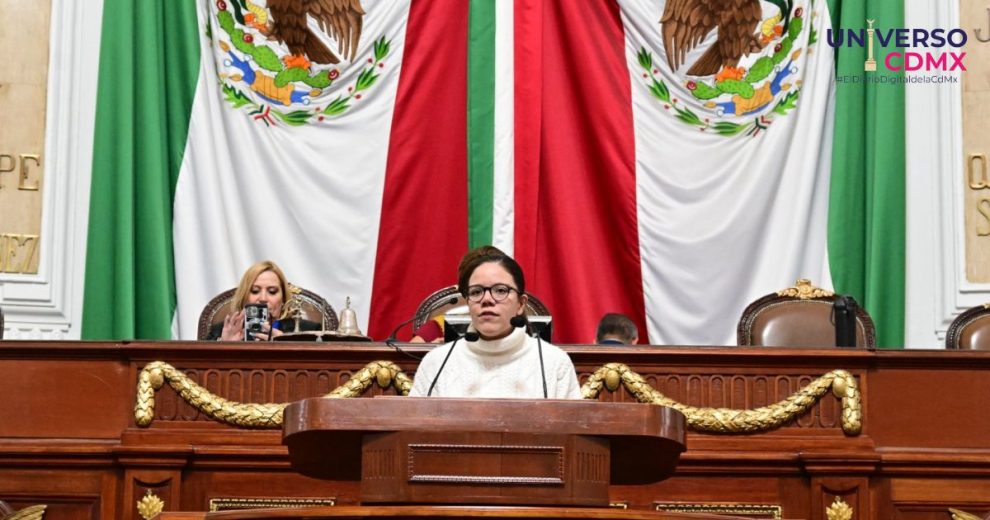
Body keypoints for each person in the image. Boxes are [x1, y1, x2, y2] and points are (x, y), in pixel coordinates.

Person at [409, 247, 582, 399]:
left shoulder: (554, 362)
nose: (487, 300)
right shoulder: (436, 363)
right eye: (476, 292)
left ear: (521, 304)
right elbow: (412, 431)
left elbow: (574, 432)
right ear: (468, 302)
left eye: (500, 290)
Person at [208, 260, 321, 341]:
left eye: (272, 292)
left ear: (283, 299)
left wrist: (286, 346)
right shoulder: (219, 331)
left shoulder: (310, 331)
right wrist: (224, 347)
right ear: (244, 297)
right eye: (255, 291)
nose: (263, 299)